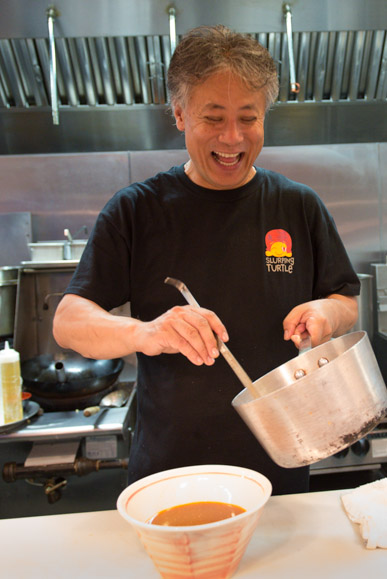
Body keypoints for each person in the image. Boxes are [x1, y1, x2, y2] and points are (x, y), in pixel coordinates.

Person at [53, 25, 359, 495]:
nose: (233, 138)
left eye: (248, 118)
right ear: (179, 113)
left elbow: (345, 299)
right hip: (170, 478)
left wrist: (326, 312)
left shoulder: (298, 206)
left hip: (279, 474)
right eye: (213, 118)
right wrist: (146, 332)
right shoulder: (137, 210)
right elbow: (69, 322)